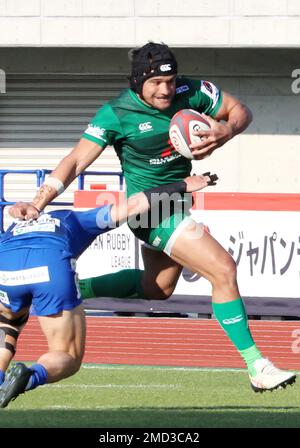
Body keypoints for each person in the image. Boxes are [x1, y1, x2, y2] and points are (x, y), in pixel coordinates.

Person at [9, 42, 296, 393]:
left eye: (171, 81)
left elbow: (239, 109)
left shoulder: (192, 90)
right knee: (223, 269)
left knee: (157, 289)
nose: (166, 89)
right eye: (156, 83)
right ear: (138, 82)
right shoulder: (115, 113)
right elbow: (74, 161)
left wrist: (227, 130)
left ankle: (78, 288)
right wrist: (39, 201)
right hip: (152, 210)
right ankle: (257, 366)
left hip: (179, 203)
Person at [0, 173, 216, 408]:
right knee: (68, 355)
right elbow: (134, 205)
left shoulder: (16, 225)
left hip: (6, 269)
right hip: (50, 270)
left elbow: (13, 220)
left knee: (8, 322)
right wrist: (182, 185)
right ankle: (29, 377)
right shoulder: (75, 219)